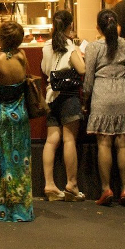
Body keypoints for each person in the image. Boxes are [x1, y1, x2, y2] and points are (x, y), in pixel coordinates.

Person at [0, 21, 34, 222]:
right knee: (21, 164)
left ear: (0, 37)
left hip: (0, 115)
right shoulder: (22, 56)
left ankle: (5, 209)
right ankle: (23, 209)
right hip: (20, 114)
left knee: (2, 161)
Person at [83, 8, 125, 207]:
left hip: (102, 94)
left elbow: (88, 78)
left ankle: (106, 188)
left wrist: (85, 99)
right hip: (123, 93)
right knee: (123, 144)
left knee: (104, 144)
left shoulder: (93, 47)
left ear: (98, 27)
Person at [39, 10, 85, 202]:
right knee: (69, 140)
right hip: (68, 96)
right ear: (70, 26)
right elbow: (82, 69)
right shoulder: (69, 46)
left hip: (51, 96)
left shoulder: (47, 46)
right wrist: (81, 55)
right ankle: (71, 185)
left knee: (51, 141)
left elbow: (43, 69)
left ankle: (49, 185)